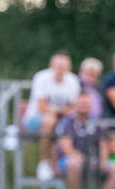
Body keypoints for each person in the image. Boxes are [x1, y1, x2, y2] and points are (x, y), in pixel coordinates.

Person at [54, 92, 115, 189]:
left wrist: (103, 161)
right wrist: (85, 160)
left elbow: (103, 145)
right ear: (76, 105)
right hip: (71, 160)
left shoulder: (97, 122)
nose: (83, 106)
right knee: (74, 162)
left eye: (86, 104)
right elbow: (66, 147)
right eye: (81, 103)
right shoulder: (67, 122)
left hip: (94, 159)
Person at [22, 51, 81, 181]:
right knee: (50, 120)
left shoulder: (73, 80)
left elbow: (74, 108)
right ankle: (44, 162)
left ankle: (62, 165)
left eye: (63, 66)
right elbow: (42, 108)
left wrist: (56, 110)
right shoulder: (41, 78)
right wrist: (62, 111)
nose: (60, 69)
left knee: (66, 124)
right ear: (51, 66)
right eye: (58, 66)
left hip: (61, 122)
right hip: (34, 121)